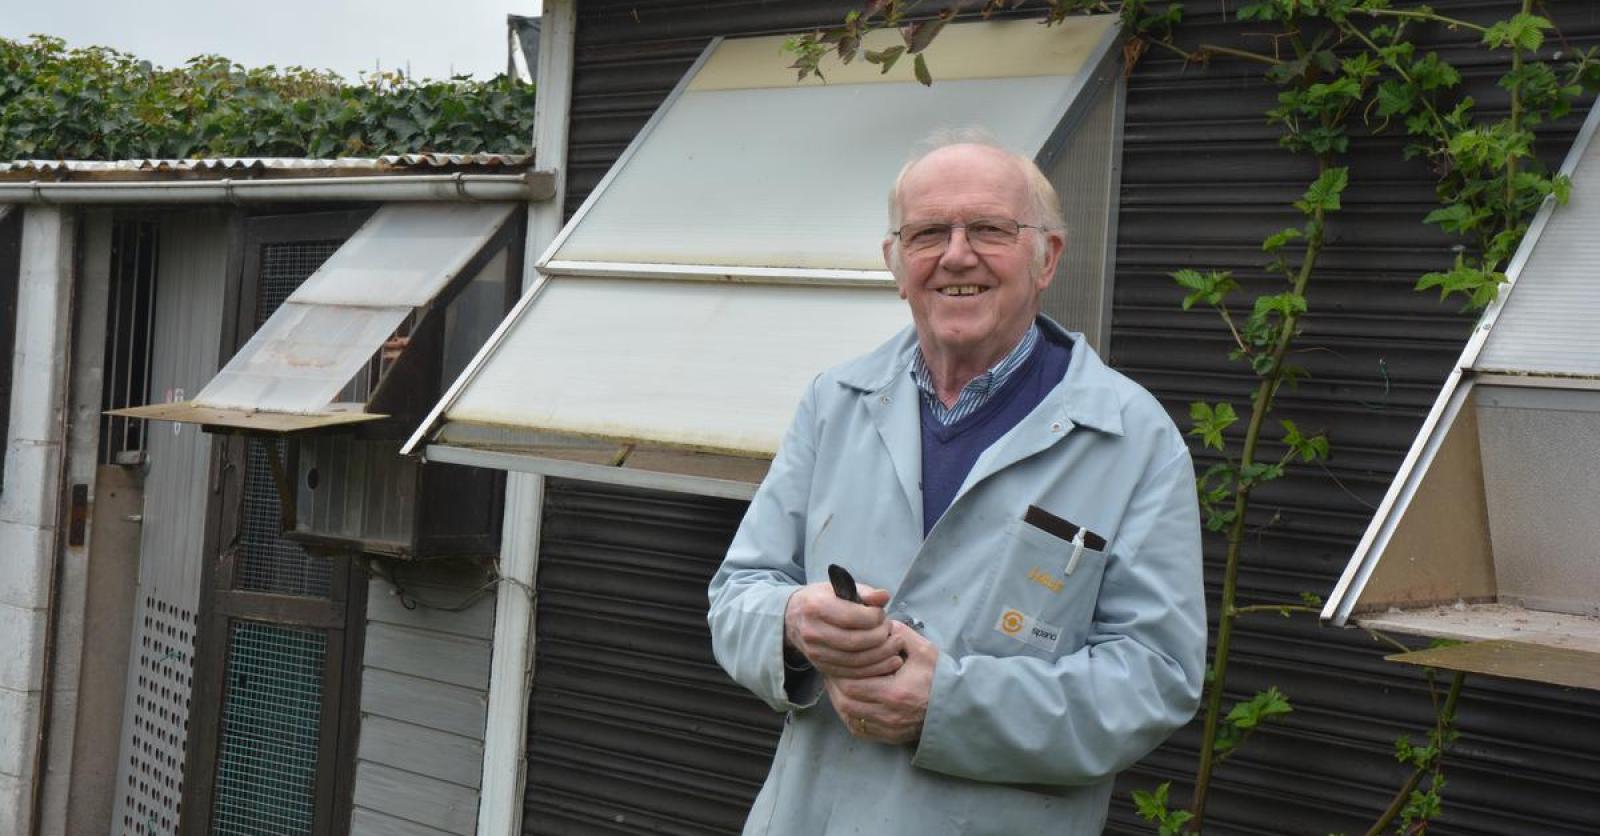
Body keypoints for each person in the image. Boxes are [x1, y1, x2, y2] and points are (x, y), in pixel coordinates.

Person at [707, 137, 1206, 835]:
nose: (957, 255)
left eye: (990, 229)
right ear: (895, 263)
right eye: (928, 233)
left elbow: (1156, 677)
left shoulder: (1133, 438)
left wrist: (949, 704)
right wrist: (793, 623)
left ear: (1047, 259)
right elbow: (737, 593)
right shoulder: (834, 402)